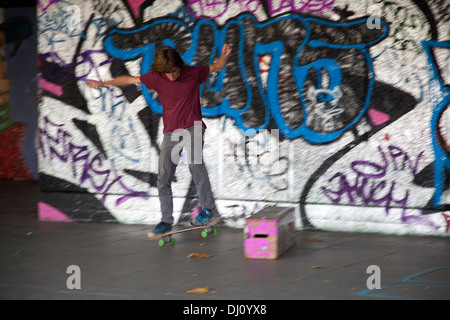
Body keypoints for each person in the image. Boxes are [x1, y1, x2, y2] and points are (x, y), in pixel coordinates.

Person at [86, 44, 232, 236]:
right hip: (172, 132)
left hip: (193, 128)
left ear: (180, 66)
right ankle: (165, 221)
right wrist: (102, 83)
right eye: (168, 74)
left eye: (175, 72)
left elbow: (216, 66)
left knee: (195, 164)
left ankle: (207, 209)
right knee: (163, 177)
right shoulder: (156, 77)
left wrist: (224, 55)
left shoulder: (193, 72)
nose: (172, 76)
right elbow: (129, 79)